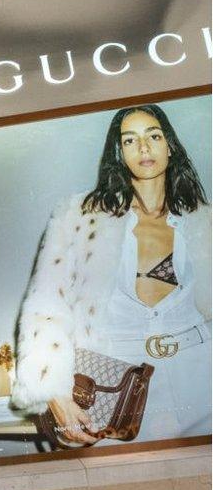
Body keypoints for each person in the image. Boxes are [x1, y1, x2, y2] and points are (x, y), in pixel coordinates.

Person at [12, 104, 211, 446]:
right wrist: (54, 393)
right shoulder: (79, 217)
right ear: (118, 153)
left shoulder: (204, 221)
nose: (144, 148)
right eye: (130, 140)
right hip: (117, 388)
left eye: (154, 135)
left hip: (203, 376)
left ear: (170, 145)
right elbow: (46, 305)